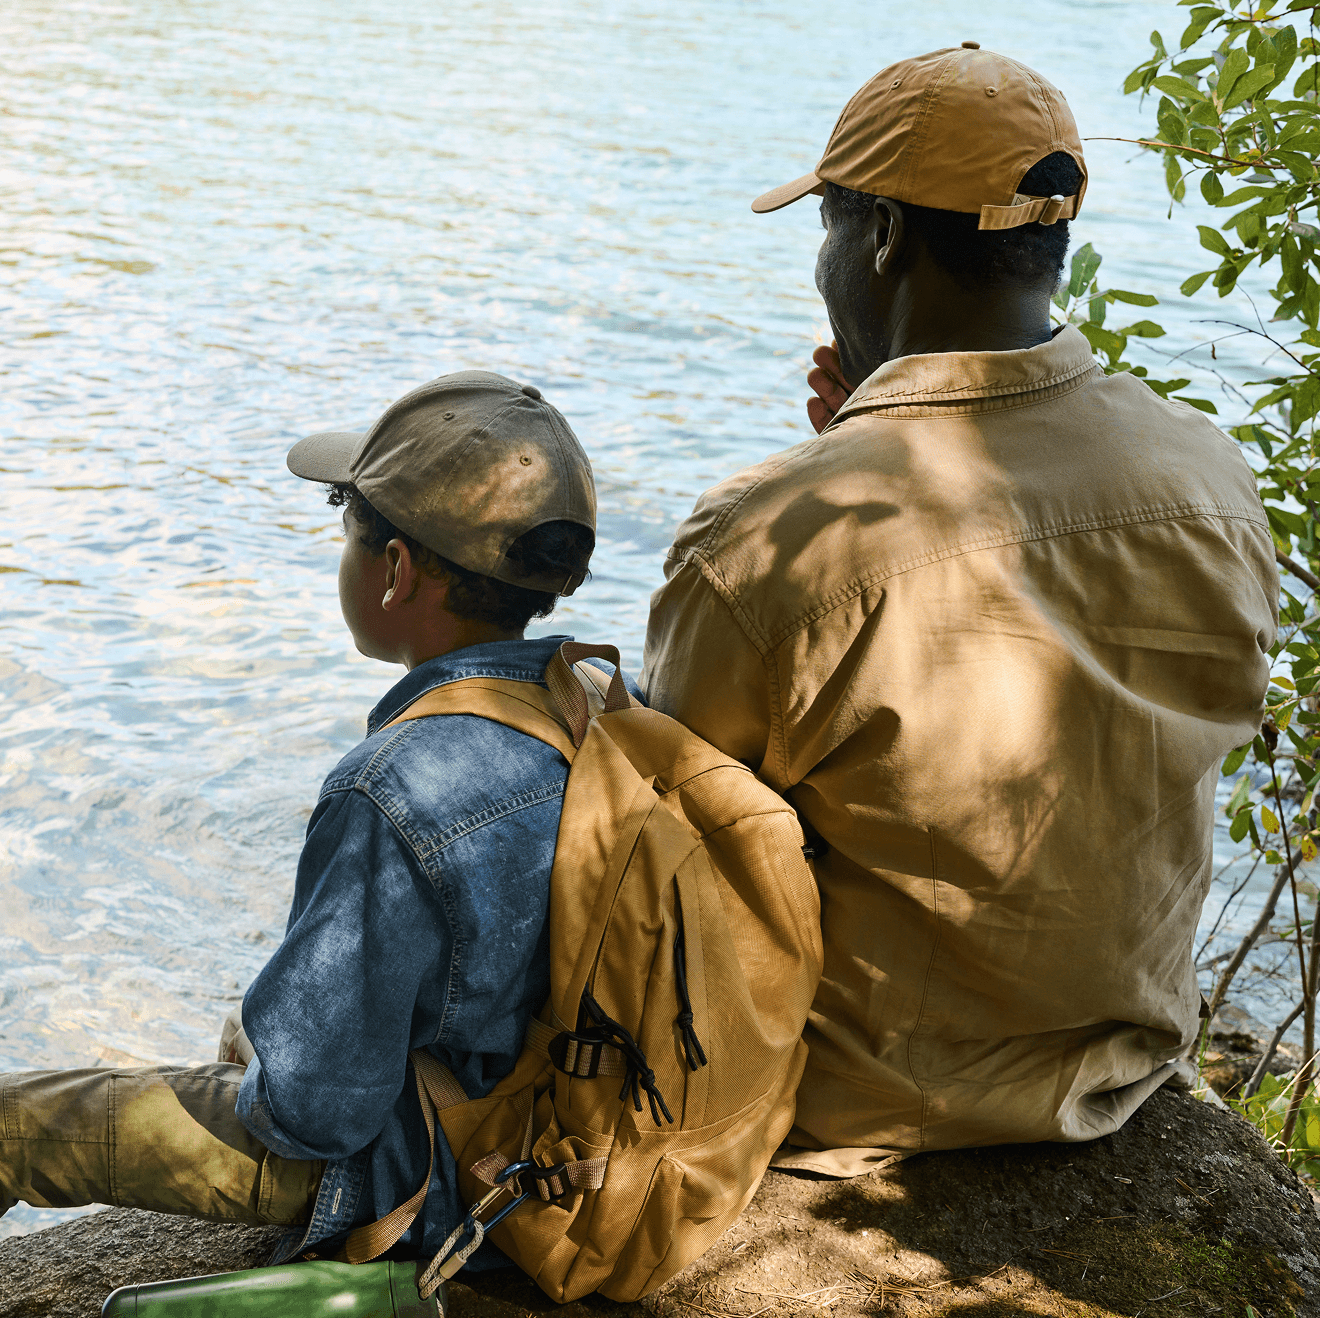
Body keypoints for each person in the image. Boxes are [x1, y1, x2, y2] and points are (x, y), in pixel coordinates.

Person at [641, 45, 1279, 1175]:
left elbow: (669, 848)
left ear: (881, 235)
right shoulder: (1213, 480)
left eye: (830, 225)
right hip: (1117, 1068)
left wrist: (834, 480)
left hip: (857, 1094)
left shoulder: (772, 535)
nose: (827, 262)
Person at [0, 370, 614, 1268]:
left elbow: (314, 1112)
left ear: (396, 571)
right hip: (549, 1133)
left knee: (15, 1122)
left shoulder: (392, 786)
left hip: (423, 1174)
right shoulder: (594, 702)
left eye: (345, 525)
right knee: (257, 1028)